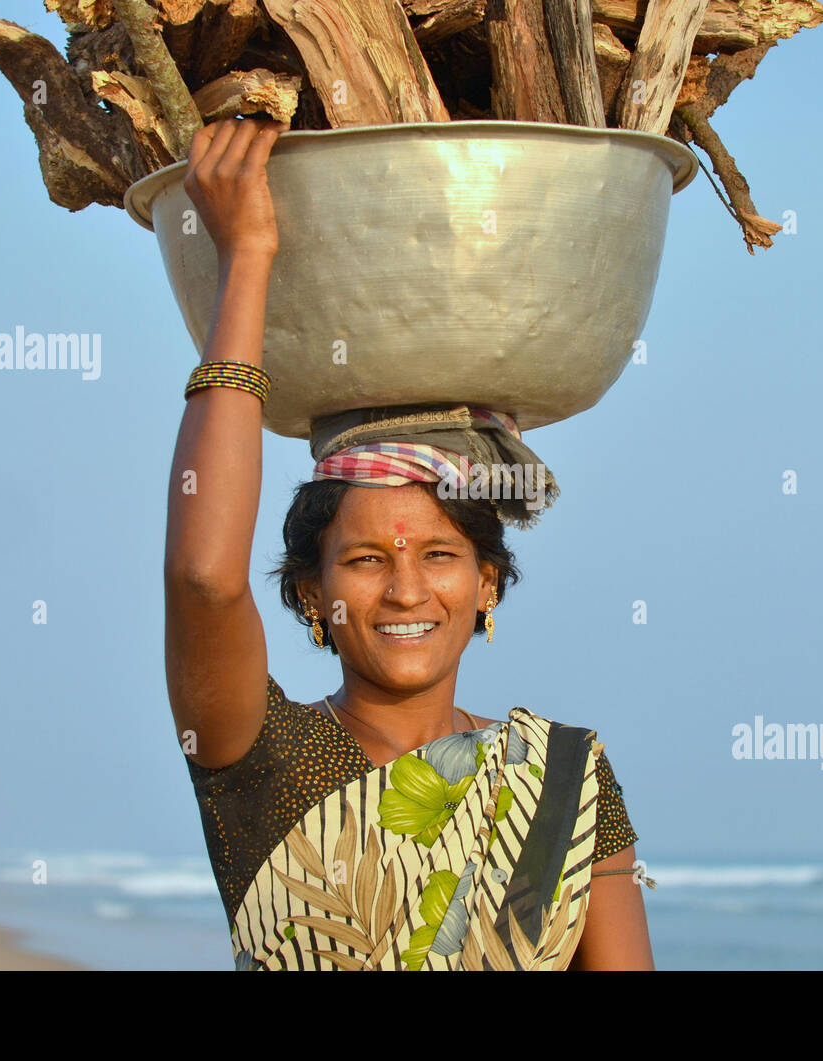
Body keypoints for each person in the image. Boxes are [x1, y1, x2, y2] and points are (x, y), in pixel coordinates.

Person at [164, 116, 655, 971]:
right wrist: (246, 257)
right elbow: (205, 579)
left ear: (487, 584)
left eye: (439, 554)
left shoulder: (562, 784)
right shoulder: (263, 757)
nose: (405, 590)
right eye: (364, 559)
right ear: (311, 594)